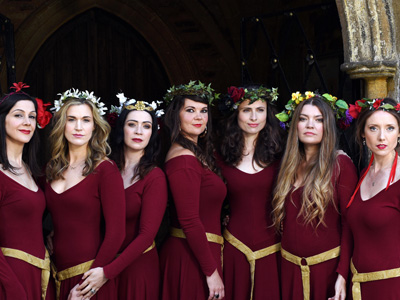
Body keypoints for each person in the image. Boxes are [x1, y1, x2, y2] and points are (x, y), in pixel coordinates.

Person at [273, 92, 358, 300]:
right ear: (296, 126)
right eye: (303, 119)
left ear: (327, 126)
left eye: (318, 120)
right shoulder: (287, 165)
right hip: (288, 268)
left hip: (326, 271)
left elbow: (349, 224)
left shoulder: (341, 165)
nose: (310, 125)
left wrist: (342, 274)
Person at [44, 88, 125, 300]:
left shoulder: (105, 170)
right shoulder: (52, 169)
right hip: (56, 275)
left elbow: (117, 233)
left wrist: (88, 285)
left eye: (86, 120)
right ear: (62, 125)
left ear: (95, 127)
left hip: (91, 278)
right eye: (72, 119)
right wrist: (46, 234)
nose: (79, 127)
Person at [159, 80, 226, 300]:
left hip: (202, 253)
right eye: (190, 110)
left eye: (203, 111)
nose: (199, 116)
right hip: (191, 258)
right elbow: (189, 219)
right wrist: (211, 272)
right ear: (176, 116)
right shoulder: (183, 160)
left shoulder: (196, 153)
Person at [95, 93, 167, 299]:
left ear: (152, 133)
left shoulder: (155, 177)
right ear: (121, 128)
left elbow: (146, 236)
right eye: (132, 124)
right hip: (102, 261)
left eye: (146, 126)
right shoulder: (105, 168)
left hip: (138, 268)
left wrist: (107, 272)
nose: (138, 131)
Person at [216, 85, 284, 300]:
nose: (254, 117)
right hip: (234, 246)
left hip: (273, 248)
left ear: (268, 113)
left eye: (260, 110)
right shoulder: (220, 157)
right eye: (246, 110)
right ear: (236, 113)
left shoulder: (281, 155)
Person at [0, 82, 53, 300]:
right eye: (18, 115)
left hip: (40, 273)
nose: (27, 122)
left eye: (32, 116)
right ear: (2, 120)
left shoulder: (31, 171)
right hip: (10, 279)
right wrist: (12, 288)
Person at [346, 97, 400, 300]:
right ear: (362, 133)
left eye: (390, 128)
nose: (382, 137)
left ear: (399, 133)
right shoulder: (362, 175)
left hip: (392, 287)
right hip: (359, 285)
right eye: (374, 128)